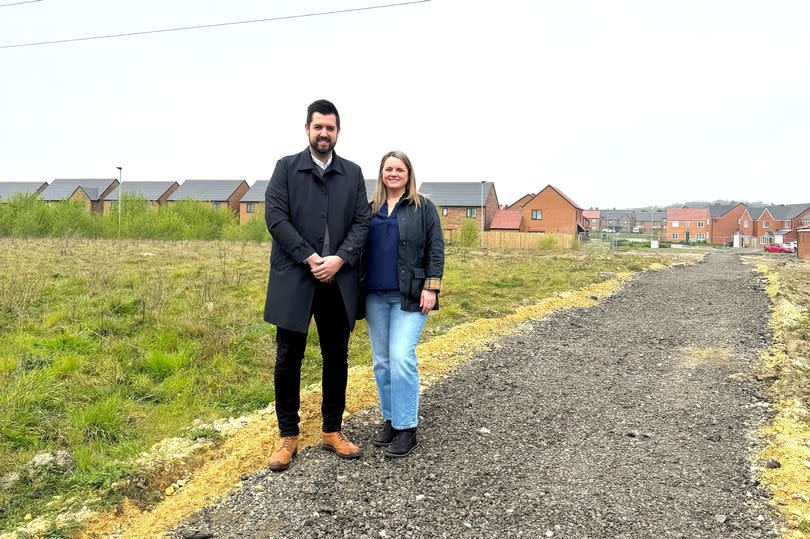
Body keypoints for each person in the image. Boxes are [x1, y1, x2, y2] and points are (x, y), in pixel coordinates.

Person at [263, 99, 369, 471]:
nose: (324, 133)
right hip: (295, 276)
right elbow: (275, 218)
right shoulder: (286, 169)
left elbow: (361, 223)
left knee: (336, 356)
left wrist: (339, 259)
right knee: (288, 357)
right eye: (318, 127)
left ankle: (331, 430)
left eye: (331, 128)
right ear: (307, 129)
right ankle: (287, 435)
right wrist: (310, 257)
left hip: (338, 280)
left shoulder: (353, 174)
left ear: (338, 132)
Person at [364, 150, 444, 458]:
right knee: (382, 361)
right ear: (381, 173)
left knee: (400, 358)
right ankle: (391, 420)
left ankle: (407, 428)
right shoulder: (370, 208)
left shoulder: (423, 207)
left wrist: (431, 287)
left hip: (409, 295)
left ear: (408, 174)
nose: (393, 173)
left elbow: (436, 248)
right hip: (374, 295)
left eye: (399, 169)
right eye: (388, 169)